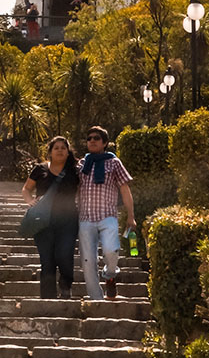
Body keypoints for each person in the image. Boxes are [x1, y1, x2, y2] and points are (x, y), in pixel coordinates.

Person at [77, 125, 135, 300]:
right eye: (89, 138)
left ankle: (110, 275)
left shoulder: (114, 162)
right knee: (88, 261)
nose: (92, 141)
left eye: (96, 138)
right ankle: (97, 300)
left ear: (105, 143)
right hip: (85, 219)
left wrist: (131, 216)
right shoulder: (81, 164)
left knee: (111, 251)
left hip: (107, 217)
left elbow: (125, 189)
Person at [22, 136, 79, 298]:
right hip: (43, 221)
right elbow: (26, 189)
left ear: (68, 152)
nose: (60, 150)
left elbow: (82, 191)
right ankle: (48, 297)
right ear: (50, 152)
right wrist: (30, 202)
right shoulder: (40, 169)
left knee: (64, 254)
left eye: (63, 148)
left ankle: (66, 286)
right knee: (47, 260)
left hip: (68, 220)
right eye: (56, 148)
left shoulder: (75, 171)